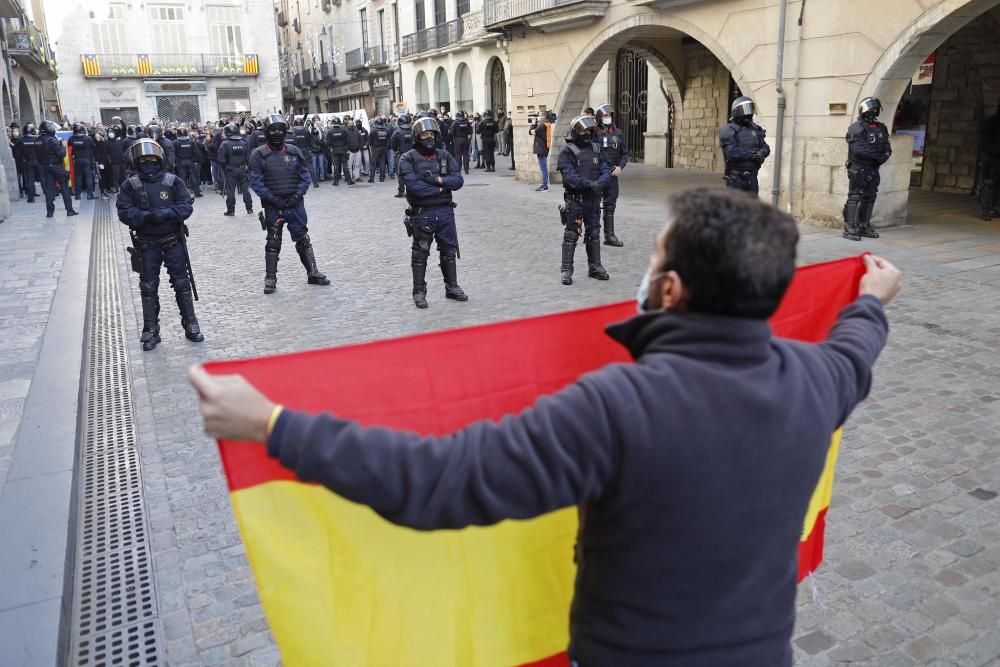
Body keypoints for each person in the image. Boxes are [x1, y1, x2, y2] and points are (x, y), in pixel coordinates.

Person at [189, 187, 902, 667]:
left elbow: (441, 481)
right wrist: (870, 299)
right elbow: (855, 348)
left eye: (654, 256)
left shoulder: (619, 406)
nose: (648, 266)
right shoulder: (817, 381)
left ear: (671, 290)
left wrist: (273, 424)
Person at [117, 138, 202, 351]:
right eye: (144, 161)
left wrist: (165, 213)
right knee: (148, 286)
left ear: (159, 160)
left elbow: (185, 206)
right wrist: (144, 217)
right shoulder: (130, 185)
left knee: (182, 283)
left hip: (172, 240)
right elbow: (123, 211)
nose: (148, 164)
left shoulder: (173, 181)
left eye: (152, 160)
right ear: (136, 163)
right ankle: (150, 329)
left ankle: (190, 323)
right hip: (147, 243)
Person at [248, 114, 331, 295]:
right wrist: (274, 199)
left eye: (280, 129)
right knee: (273, 241)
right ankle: (270, 278)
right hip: (273, 205)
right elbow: (257, 183)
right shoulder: (258, 155)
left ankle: (312, 272)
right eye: (273, 130)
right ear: (267, 132)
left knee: (303, 239)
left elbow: (304, 176)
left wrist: (297, 195)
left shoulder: (294, 151)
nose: (277, 133)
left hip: (295, 203)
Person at [399, 117, 467, 308]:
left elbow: (458, 181)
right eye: (424, 134)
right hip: (422, 213)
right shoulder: (407, 158)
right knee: (420, 253)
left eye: (431, 134)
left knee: (449, 250)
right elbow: (414, 187)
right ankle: (419, 290)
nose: (429, 138)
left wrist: (438, 181)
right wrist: (442, 188)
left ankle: (451, 286)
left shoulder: (444, 156)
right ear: (416, 136)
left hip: (445, 211)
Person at [558, 115, 610, 285]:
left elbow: (605, 169)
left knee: (594, 233)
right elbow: (570, 177)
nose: (586, 133)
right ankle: (566, 269)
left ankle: (595, 266)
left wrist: (601, 183)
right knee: (572, 234)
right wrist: (590, 185)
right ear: (575, 132)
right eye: (582, 130)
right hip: (576, 200)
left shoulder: (596, 148)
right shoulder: (567, 152)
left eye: (588, 130)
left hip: (593, 200)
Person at [843, 97, 892, 241]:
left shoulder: (881, 127)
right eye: (871, 110)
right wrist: (878, 157)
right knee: (855, 196)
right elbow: (860, 150)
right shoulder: (856, 128)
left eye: (875, 111)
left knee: (870, 196)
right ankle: (849, 225)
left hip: (873, 168)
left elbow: (886, 146)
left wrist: (884, 157)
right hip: (858, 168)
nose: (873, 113)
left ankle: (864, 224)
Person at [719, 96, 770, 197]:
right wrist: (752, 155)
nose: (748, 113)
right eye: (745, 109)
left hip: (752, 177)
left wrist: (761, 153)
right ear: (736, 111)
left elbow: (765, 147)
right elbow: (732, 152)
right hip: (736, 178)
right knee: (736, 208)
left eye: (750, 109)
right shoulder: (728, 130)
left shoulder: (755, 129)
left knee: (752, 207)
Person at [594, 104, 629, 247]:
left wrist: (620, 167)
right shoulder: (594, 133)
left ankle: (609, 235)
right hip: (598, 174)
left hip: (613, 174)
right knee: (594, 204)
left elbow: (625, 153)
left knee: (610, 204)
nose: (607, 118)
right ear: (599, 118)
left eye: (609, 115)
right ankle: (593, 233)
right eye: (605, 116)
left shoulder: (618, 133)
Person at [39, 120, 78, 218]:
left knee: (49, 190)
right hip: (56, 167)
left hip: (45, 167)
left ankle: (50, 212)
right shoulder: (52, 140)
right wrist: (63, 146)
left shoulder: (38, 140)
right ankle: (69, 210)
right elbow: (61, 154)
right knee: (64, 188)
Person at [219, 123, 254, 216]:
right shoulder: (243, 143)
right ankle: (249, 208)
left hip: (231, 170)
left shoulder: (225, 144)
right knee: (245, 189)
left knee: (230, 190)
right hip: (242, 169)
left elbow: (221, 160)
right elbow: (248, 158)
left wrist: (224, 169)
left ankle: (231, 210)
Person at [978, 99, 1000, 221]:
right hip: (991, 156)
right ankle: (985, 209)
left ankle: (995, 207)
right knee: (988, 183)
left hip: (995, 156)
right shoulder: (991, 122)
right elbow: (985, 141)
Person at [68, 122, 97, 200]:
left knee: (78, 178)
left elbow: (69, 147)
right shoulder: (88, 138)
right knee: (88, 177)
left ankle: (77, 195)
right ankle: (90, 195)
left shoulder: (71, 139)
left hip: (77, 160)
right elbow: (94, 147)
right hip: (87, 159)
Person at [173, 126, 203, 198]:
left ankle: (183, 194)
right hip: (190, 161)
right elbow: (196, 152)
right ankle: (197, 193)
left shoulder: (175, 142)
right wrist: (194, 160)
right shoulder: (191, 141)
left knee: (182, 179)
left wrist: (176, 161)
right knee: (194, 178)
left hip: (181, 162)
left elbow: (173, 153)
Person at [391, 114, 414, 198]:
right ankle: (411, 191)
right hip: (413, 155)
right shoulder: (413, 130)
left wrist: (396, 151)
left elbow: (393, 146)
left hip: (402, 155)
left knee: (401, 174)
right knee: (412, 173)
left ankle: (401, 191)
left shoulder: (397, 132)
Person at [529, 111, 553, 191]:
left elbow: (531, 132)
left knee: (543, 168)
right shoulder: (547, 123)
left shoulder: (542, 125)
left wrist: (533, 123)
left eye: (539, 115)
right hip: (544, 148)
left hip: (541, 148)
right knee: (543, 167)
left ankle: (545, 185)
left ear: (543, 116)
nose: (538, 117)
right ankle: (544, 184)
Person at [325, 116, 353, 186]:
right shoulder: (344, 130)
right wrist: (346, 148)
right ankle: (349, 181)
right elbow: (348, 141)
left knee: (336, 166)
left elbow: (327, 143)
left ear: (333, 123)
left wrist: (331, 147)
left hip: (335, 151)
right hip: (343, 150)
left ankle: (336, 181)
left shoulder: (330, 131)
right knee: (345, 165)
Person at [369, 117, 391, 183]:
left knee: (373, 162)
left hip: (376, 148)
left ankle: (372, 179)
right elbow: (388, 139)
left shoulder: (373, 130)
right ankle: (382, 178)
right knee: (382, 163)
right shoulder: (386, 130)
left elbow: (370, 140)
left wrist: (372, 145)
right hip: (384, 147)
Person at [309, 120, 327, 184]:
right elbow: (316, 140)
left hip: (321, 150)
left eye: (320, 124)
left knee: (321, 165)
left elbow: (324, 139)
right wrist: (323, 142)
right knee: (314, 165)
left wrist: (324, 142)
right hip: (314, 151)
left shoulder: (322, 131)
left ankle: (322, 177)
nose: (320, 125)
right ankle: (315, 177)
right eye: (318, 124)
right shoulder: (312, 130)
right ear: (315, 124)